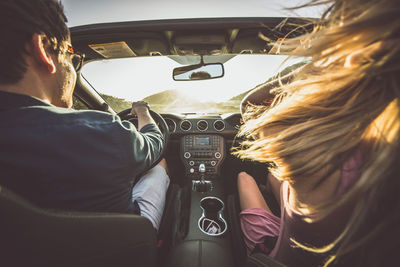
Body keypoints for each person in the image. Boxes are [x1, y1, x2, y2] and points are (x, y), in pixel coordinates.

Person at [234, 0, 400, 266]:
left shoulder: (320, 158)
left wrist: (333, 65)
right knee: (275, 176)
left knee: (244, 175)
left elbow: (251, 106)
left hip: (279, 254)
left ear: (358, 57)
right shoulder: (364, 162)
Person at [0, 0, 169, 231]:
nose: (73, 67)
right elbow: (155, 143)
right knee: (159, 164)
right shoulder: (103, 132)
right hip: (119, 248)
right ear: (44, 49)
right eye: (72, 55)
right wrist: (142, 112)